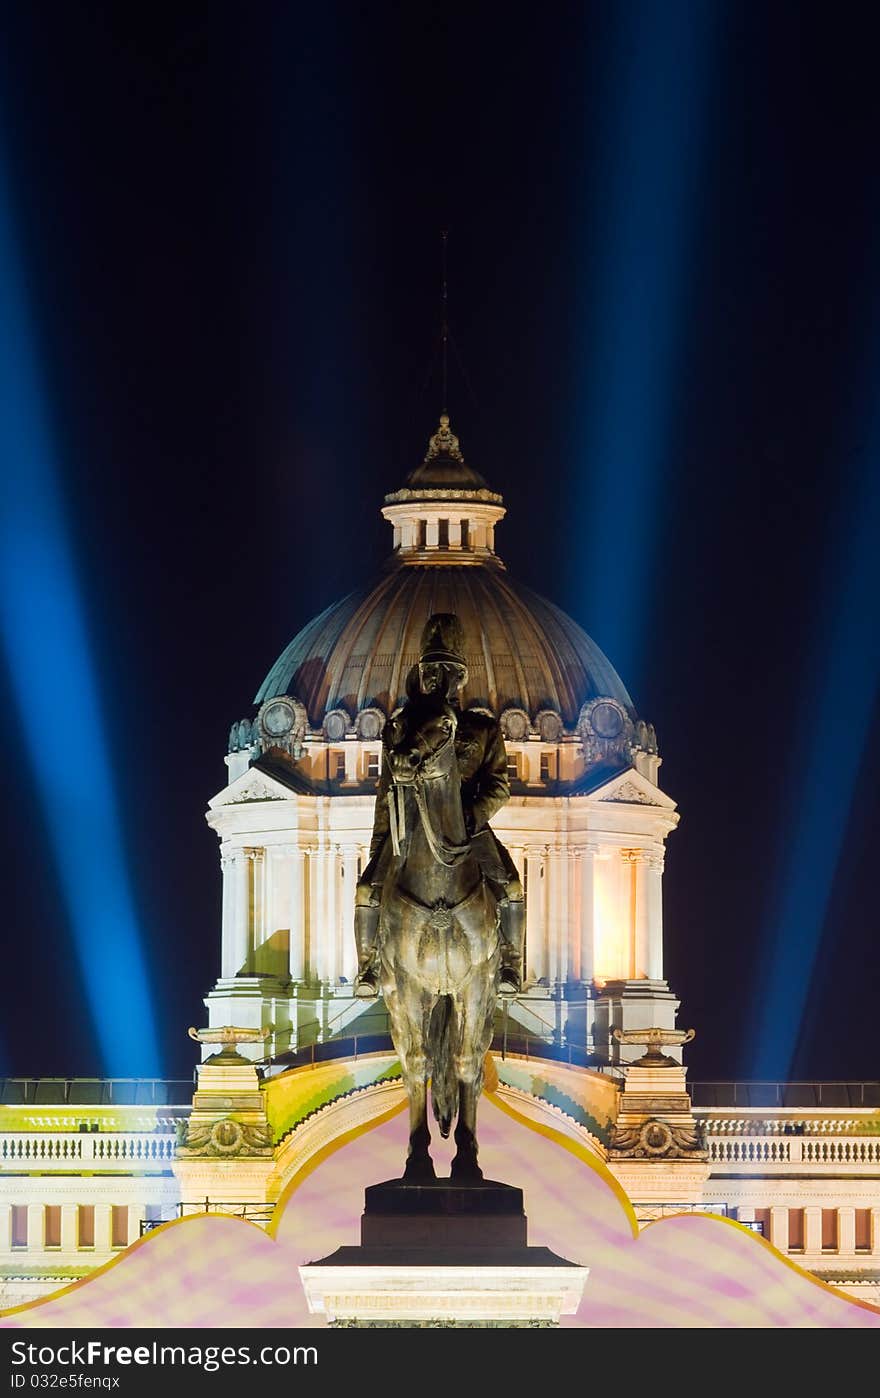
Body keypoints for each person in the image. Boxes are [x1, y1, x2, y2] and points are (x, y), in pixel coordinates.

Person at [354, 612, 525, 998]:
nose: (437, 679)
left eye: (446, 671)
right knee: (367, 890)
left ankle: (511, 964)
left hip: (467, 828)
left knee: (512, 886)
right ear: (421, 675)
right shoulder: (401, 728)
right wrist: (379, 847)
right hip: (410, 825)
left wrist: (472, 816)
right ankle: (369, 968)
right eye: (431, 670)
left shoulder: (482, 729)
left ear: (459, 678)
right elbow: (385, 795)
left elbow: (499, 787)